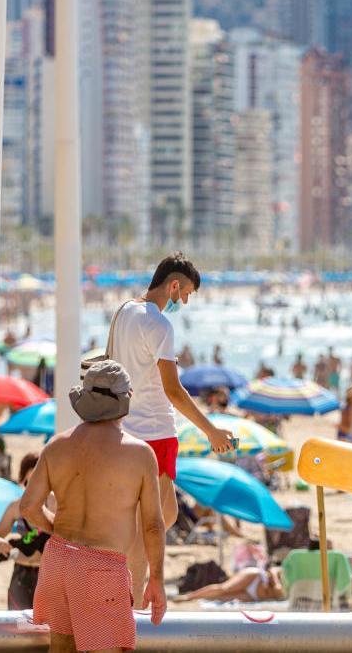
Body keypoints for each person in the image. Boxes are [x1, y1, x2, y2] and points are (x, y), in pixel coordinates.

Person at [111, 252, 235, 603]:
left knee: (166, 514)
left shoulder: (125, 312)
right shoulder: (160, 324)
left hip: (127, 427)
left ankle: (127, 573)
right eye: (187, 295)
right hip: (155, 431)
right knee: (151, 523)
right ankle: (131, 598)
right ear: (174, 285)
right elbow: (173, 390)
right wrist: (211, 431)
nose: (185, 302)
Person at [21, 361, 167, 652]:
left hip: (59, 558)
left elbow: (29, 507)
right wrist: (157, 580)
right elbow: (152, 525)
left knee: (61, 647)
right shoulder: (139, 454)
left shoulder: (57, 445)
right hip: (101, 566)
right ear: (125, 399)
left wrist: (56, 528)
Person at [0, 453, 51, 610]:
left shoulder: (54, 503)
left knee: (46, 630)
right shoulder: (16, 507)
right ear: (23, 480)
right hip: (21, 574)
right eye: (29, 482)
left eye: (39, 481)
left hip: (48, 575)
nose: (33, 487)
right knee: (17, 626)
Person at [173, 563, 284, 603]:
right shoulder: (288, 570)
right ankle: (189, 597)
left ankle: (194, 597)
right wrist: (276, 583)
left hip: (255, 596)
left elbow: (279, 595)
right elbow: (274, 570)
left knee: (221, 597)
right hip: (255, 578)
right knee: (223, 589)